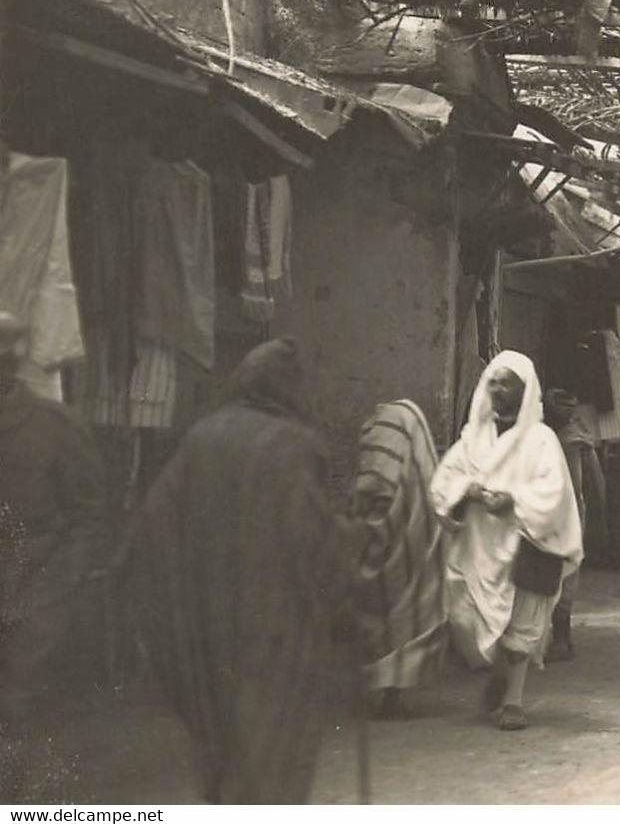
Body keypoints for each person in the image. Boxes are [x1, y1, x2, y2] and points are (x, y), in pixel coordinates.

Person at [124, 338, 357, 803]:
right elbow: (313, 542)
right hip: (273, 639)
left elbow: (150, 530)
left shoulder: (201, 436)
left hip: (204, 640)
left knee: (219, 759)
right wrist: (352, 578)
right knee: (275, 766)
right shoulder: (294, 446)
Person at [430, 352, 582, 731]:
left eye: (506, 383)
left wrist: (513, 500)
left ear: (525, 390)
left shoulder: (541, 440)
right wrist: (469, 491)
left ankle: (513, 699)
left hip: (526, 540)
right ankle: (499, 672)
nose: (496, 390)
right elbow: (446, 480)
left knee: (521, 620)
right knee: (467, 615)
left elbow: (554, 491)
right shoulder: (472, 437)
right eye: (492, 382)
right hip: (479, 544)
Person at [0, 311, 106, 726]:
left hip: (35, 591)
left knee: (18, 715)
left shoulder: (56, 428)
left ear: (12, 365)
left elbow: (89, 517)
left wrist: (56, 588)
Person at [351, 398, 447, 720]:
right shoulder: (402, 433)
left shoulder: (385, 436)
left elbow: (374, 487)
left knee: (393, 617)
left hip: (395, 540)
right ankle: (389, 694)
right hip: (391, 540)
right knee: (399, 618)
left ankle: (389, 694)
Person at [542, 388, 600, 662]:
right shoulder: (577, 441)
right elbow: (596, 483)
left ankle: (560, 638)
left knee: (559, 574)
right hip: (561, 514)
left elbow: (595, 483)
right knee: (565, 574)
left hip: (558, 514)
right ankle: (559, 637)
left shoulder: (565, 442)